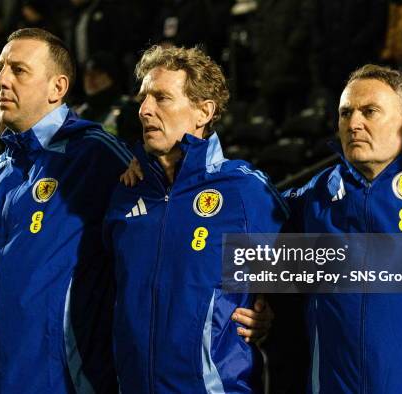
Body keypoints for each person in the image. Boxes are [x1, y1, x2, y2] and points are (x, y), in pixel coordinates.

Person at [0, 27, 132, 394]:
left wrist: (249, 298)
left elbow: (166, 237)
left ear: (58, 87)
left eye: (19, 70)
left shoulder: (96, 157)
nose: (2, 80)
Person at [103, 45, 287, 393]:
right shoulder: (127, 190)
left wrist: (271, 313)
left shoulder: (242, 192)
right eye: (143, 98)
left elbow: (305, 281)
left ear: (203, 112)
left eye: (161, 98)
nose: (144, 110)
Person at [285, 64, 402, 393]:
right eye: (346, 113)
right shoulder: (311, 200)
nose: (353, 123)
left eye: (370, 111)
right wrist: (253, 307)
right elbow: (249, 266)